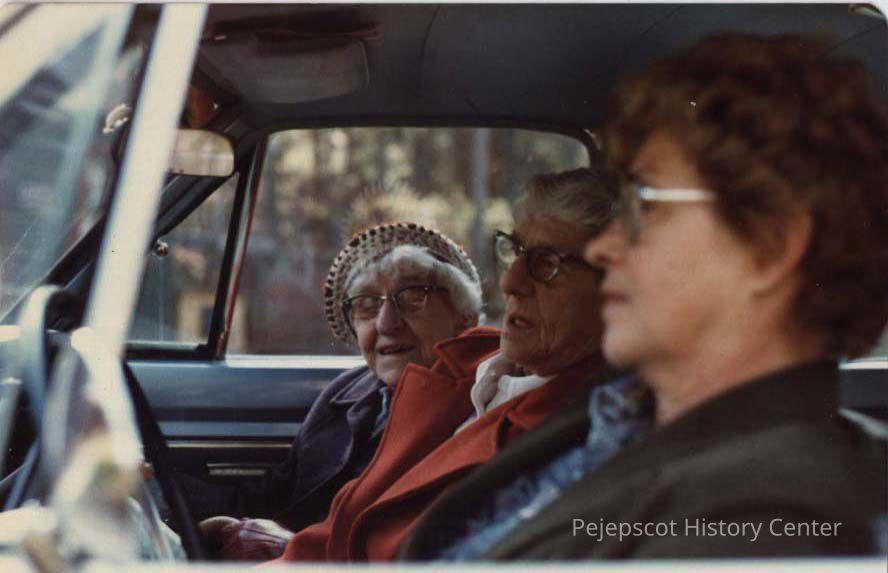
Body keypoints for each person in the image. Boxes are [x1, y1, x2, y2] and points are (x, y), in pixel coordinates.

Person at [400, 33, 888, 560]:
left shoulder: (769, 519)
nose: (605, 248)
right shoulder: (624, 410)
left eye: (647, 210)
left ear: (771, 248)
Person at [268, 167, 621, 562]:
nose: (510, 282)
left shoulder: (590, 427)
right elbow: (335, 525)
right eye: (516, 250)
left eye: (546, 264)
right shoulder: (461, 368)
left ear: (618, 290)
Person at [196, 222, 483, 559]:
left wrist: (289, 549)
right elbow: (273, 497)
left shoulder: (479, 406)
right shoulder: (347, 392)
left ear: (464, 317)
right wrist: (159, 487)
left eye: (411, 297)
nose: (386, 323)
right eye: (367, 305)